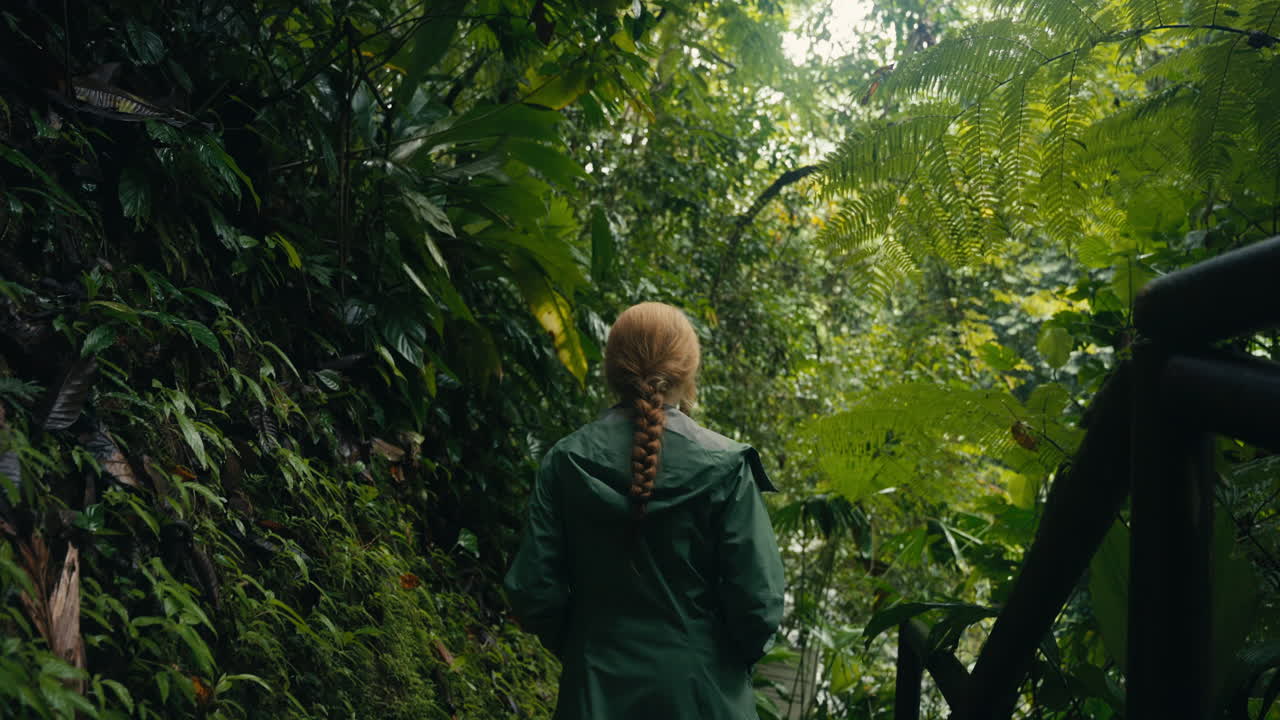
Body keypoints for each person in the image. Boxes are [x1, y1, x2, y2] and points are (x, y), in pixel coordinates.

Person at [504, 301, 786, 720]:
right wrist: (719, 661)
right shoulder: (727, 467)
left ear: (612, 369)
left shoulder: (566, 461)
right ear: (688, 371)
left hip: (594, 690)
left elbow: (533, 589)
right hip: (703, 693)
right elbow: (758, 601)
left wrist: (584, 647)